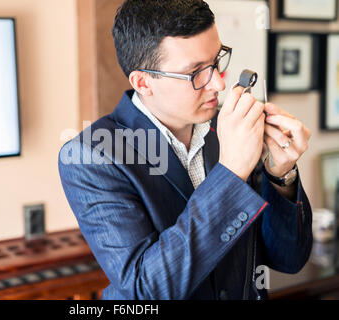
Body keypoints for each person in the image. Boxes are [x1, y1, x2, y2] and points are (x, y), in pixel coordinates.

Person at [58, 0, 313, 300]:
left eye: (217, 61)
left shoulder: (229, 127)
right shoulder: (93, 156)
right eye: (196, 72)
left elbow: (289, 259)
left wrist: (281, 176)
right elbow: (146, 290)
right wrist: (230, 173)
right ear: (143, 82)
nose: (219, 84)